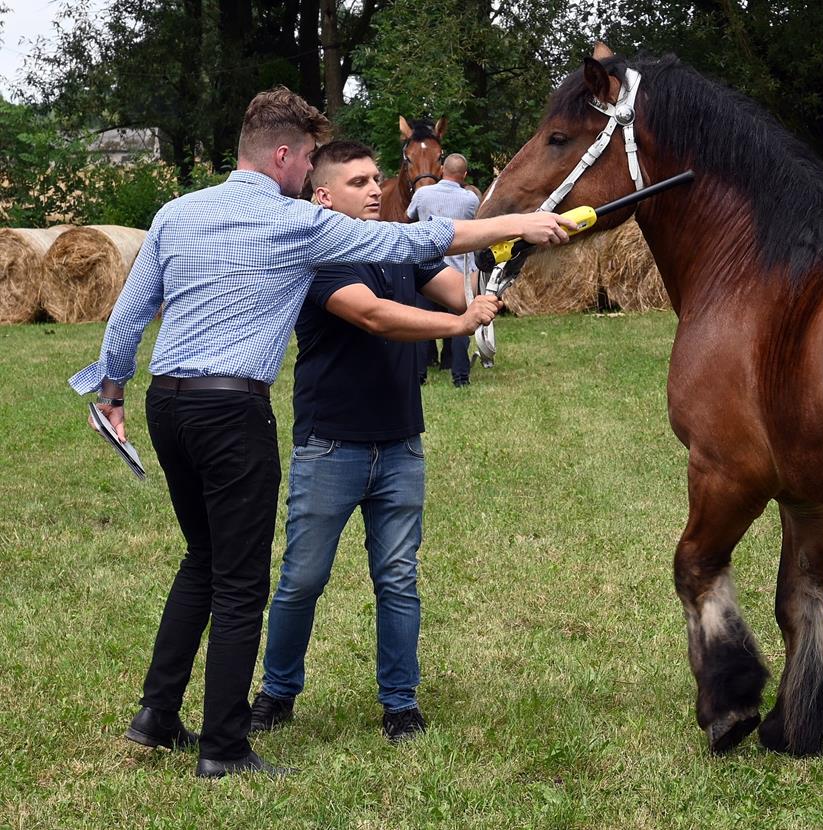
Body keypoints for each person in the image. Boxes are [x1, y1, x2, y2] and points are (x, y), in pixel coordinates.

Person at [68, 86, 574, 779]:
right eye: (308, 159)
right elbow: (416, 239)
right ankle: (224, 748)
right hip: (232, 411)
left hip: (168, 406)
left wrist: (112, 391)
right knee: (242, 584)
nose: (311, 173)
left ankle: (156, 715)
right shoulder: (295, 222)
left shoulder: (176, 213)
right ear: (283, 155)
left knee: (202, 561)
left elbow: (130, 312)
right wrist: (519, 222)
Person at [248, 140, 495, 743]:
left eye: (377, 178)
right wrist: (459, 324)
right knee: (303, 579)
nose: (375, 189)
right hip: (330, 446)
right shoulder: (317, 255)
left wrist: (495, 275)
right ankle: (277, 692)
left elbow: (458, 293)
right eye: (358, 182)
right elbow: (376, 316)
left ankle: (400, 704)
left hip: (401, 444)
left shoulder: (399, 248)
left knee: (398, 579)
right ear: (323, 196)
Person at [408, 153, 481, 387]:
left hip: (427, 271)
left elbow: (409, 217)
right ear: (464, 175)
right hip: (459, 275)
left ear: (441, 170)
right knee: (462, 325)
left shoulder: (422, 194)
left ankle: (418, 375)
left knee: (422, 324)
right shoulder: (470, 199)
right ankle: (460, 377)